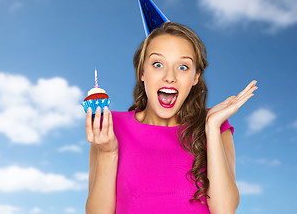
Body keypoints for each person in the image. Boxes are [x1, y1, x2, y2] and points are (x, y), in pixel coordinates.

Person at [85, 22, 257, 213]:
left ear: (195, 77)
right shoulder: (109, 127)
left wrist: (212, 129)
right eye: (158, 64)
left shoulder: (216, 124)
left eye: (183, 67)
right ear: (142, 72)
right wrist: (108, 152)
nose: (170, 77)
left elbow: (225, 210)